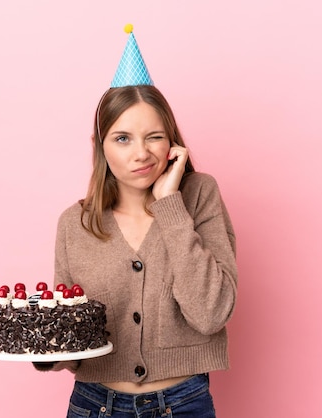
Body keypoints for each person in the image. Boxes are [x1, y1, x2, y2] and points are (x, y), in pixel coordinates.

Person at [34, 26, 237, 418]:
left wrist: (170, 206)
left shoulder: (199, 196)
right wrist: (48, 353)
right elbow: (71, 333)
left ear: (172, 144)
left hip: (183, 404)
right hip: (94, 405)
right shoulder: (73, 224)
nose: (141, 153)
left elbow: (211, 314)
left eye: (154, 137)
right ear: (101, 147)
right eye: (122, 138)